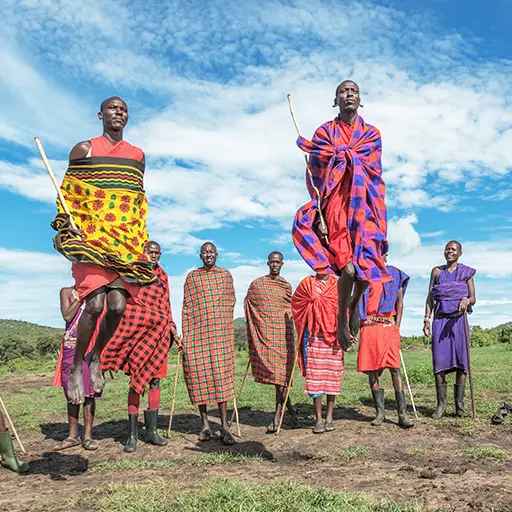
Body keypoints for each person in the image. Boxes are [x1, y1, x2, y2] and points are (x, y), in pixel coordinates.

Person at [51, 97, 155, 405]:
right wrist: (68, 224)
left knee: (118, 307)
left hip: (124, 242)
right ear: (100, 115)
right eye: (112, 108)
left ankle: (96, 356)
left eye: (123, 109)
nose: (118, 112)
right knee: (94, 304)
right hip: (91, 239)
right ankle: (75, 368)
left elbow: (136, 200)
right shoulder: (84, 150)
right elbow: (68, 194)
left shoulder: (137, 155)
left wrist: (140, 239)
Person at [292, 80, 390, 351]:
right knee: (347, 267)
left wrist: (349, 159)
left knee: (370, 268)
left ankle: (354, 304)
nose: (349, 94)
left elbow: (375, 172)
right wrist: (319, 213)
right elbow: (316, 174)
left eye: (354, 91)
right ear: (336, 101)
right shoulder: (324, 132)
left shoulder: (371, 134)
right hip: (336, 205)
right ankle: (341, 319)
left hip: (366, 203)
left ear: (360, 100)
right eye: (343, 91)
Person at [101, 241, 181, 452]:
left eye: (156, 253)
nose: (153, 256)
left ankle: (152, 432)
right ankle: (132, 435)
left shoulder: (163, 276)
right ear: (143, 252)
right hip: (138, 329)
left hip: (159, 333)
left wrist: (172, 327)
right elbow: (125, 298)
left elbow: (166, 304)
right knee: (136, 380)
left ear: (160, 254)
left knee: (154, 381)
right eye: (150, 252)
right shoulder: (135, 270)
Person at [182, 242, 237, 445]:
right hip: (198, 336)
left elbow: (230, 302)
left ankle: (224, 426)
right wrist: (186, 335)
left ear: (217, 254)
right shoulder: (192, 277)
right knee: (199, 378)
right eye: (205, 252)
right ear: (200, 255)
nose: (208, 254)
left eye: (211, 251)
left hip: (220, 336)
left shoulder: (225, 275)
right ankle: (205, 425)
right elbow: (187, 306)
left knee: (221, 380)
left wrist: (224, 328)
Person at [244, 251, 300, 432]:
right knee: (279, 379)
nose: (275, 265)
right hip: (268, 336)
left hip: (284, 336)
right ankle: (289, 412)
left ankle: (278, 417)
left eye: (278, 262)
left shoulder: (286, 286)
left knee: (282, 378)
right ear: (268, 263)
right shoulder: (258, 285)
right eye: (272, 262)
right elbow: (249, 303)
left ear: (282, 264)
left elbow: (290, 309)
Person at [358, 254, 414, 428]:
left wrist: (396, 326)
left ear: (386, 255)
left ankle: (402, 413)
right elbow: (358, 300)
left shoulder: (395, 274)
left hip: (388, 325)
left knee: (394, 368)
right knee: (372, 369)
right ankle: (379, 412)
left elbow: (400, 303)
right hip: (369, 326)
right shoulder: (365, 274)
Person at [424, 241, 476, 418]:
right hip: (440, 321)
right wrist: (426, 319)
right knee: (439, 363)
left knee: (462, 362)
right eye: (447, 249)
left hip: (459, 322)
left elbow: (473, 297)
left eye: (453, 249)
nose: (449, 252)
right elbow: (430, 297)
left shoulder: (466, 273)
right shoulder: (437, 272)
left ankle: (459, 406)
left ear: (460, 253)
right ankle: (441, 405)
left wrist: (467, 301)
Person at [292, 273, 343, 434]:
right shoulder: (308, 282)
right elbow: (297, 304)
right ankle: (318, 419)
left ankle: (329, 417)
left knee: (331, 376)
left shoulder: (337, 284)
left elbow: (343, 308)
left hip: (333, 337)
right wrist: (311, 306)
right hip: (313, 336)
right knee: (316, 377)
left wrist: (346, 332)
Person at [52, 284, 102, 451]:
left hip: (91, 344)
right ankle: (73, 436)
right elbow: (67, 315)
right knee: (71, 390)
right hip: (71, 345)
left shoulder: (97, 293)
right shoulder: (66, 292)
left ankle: (88, 436)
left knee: (89, 392)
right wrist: (81, 297)